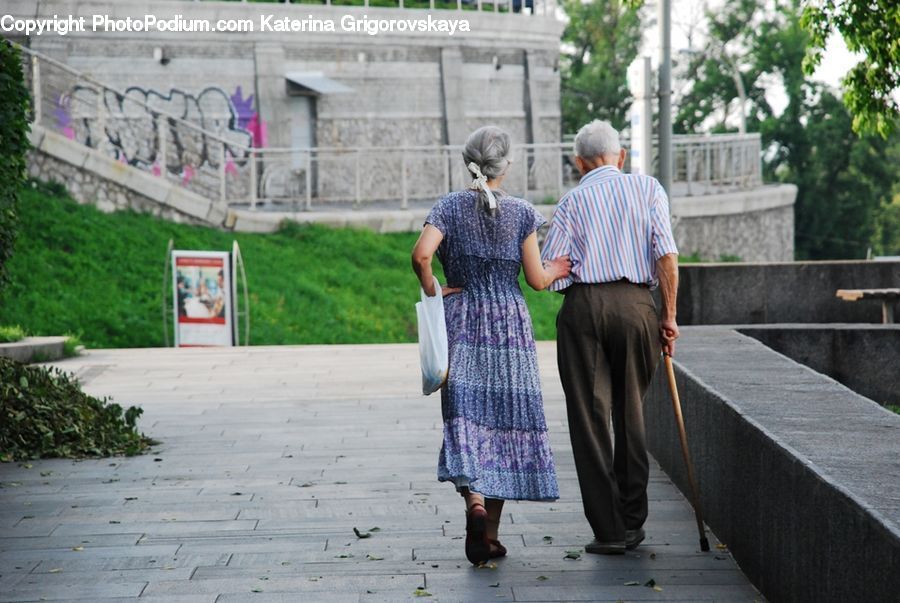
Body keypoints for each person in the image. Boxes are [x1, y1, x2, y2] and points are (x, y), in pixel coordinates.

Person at [411, 125, 571, 565]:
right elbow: (538, 280)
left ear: (468, 162)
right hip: (510, 328)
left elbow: (421, 255)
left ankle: (475, 506)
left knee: (468, 417)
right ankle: (492, 532)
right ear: (507, 165)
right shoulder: (521, 212)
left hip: (462, 318)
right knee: (502, 420)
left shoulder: (449, 207)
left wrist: (434, 289)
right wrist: (560, 268)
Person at [540, 120, 680, 555]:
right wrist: (669, 317)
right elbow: (667, 256)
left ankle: (609, 530)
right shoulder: (649, 189)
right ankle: (634, 520)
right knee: (631, 413)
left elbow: (550, 269)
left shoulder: (571, 201)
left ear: (579, 162)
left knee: (590, 419)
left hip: (583, 311)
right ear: (621, 156)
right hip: (637, 306)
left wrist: (570, 273)